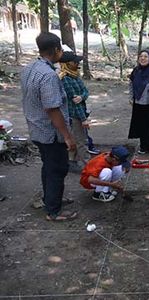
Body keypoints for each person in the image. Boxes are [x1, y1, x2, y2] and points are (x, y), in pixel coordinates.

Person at [21, 32, 77, 221]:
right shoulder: (48, 76)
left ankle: (50, 199)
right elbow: (52, 109)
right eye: (60, 48)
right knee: (57, 168)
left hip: (36, 127)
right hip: (50, 131)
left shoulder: (29, 69)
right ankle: (54, 211)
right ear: (55, 50)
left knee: (48, 166)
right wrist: (68, 136)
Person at [59, 51, 90, 172]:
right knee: (81, 141)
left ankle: (74, 162)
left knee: (77, 139)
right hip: (74, 115)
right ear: (67, 63)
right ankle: (88, 166)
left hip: (80, 111)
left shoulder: (75, 75)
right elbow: (74, 103)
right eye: (75, 61)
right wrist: (84, 119)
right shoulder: (65, 79)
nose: (77, 63)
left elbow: (85, 91)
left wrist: (82, 97)